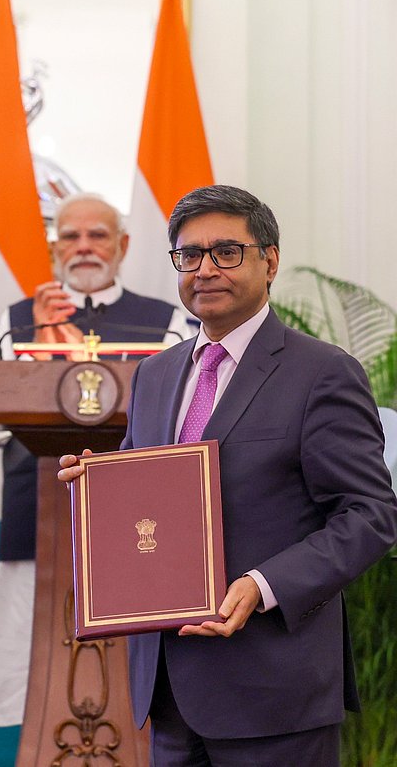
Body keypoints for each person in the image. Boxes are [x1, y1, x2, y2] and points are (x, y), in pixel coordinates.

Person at [58, 185, 397, 765]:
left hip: (275, 692)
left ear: (269, 260)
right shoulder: (155, 375)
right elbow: (148, 502)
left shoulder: (322, 373)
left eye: (226, 252)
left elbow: (371, 514)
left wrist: (263, 586)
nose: (205, 269)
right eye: (189, 256)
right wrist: (100, 485)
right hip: (168, 693)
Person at [0, 193, 193, 725]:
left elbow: (184, 423)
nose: (83, 247)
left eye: (97, 235)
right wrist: (35, 335)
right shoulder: (15, 322)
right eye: (70, 237)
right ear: (55, 250)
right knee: (26, 657)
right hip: (37, 515)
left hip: (136, 521)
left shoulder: (166, 322)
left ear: (121, 246)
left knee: (134, 672)